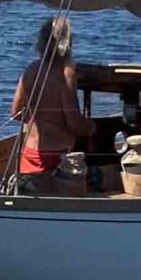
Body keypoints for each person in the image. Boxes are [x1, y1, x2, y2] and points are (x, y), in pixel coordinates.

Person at [13, 15, 91, 180]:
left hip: (29, 151)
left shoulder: (31, 69)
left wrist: (40, 121)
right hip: (57, 156)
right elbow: (73, 122)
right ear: (67, 42)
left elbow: (16, 113)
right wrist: (91, 127)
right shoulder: (66, 73)